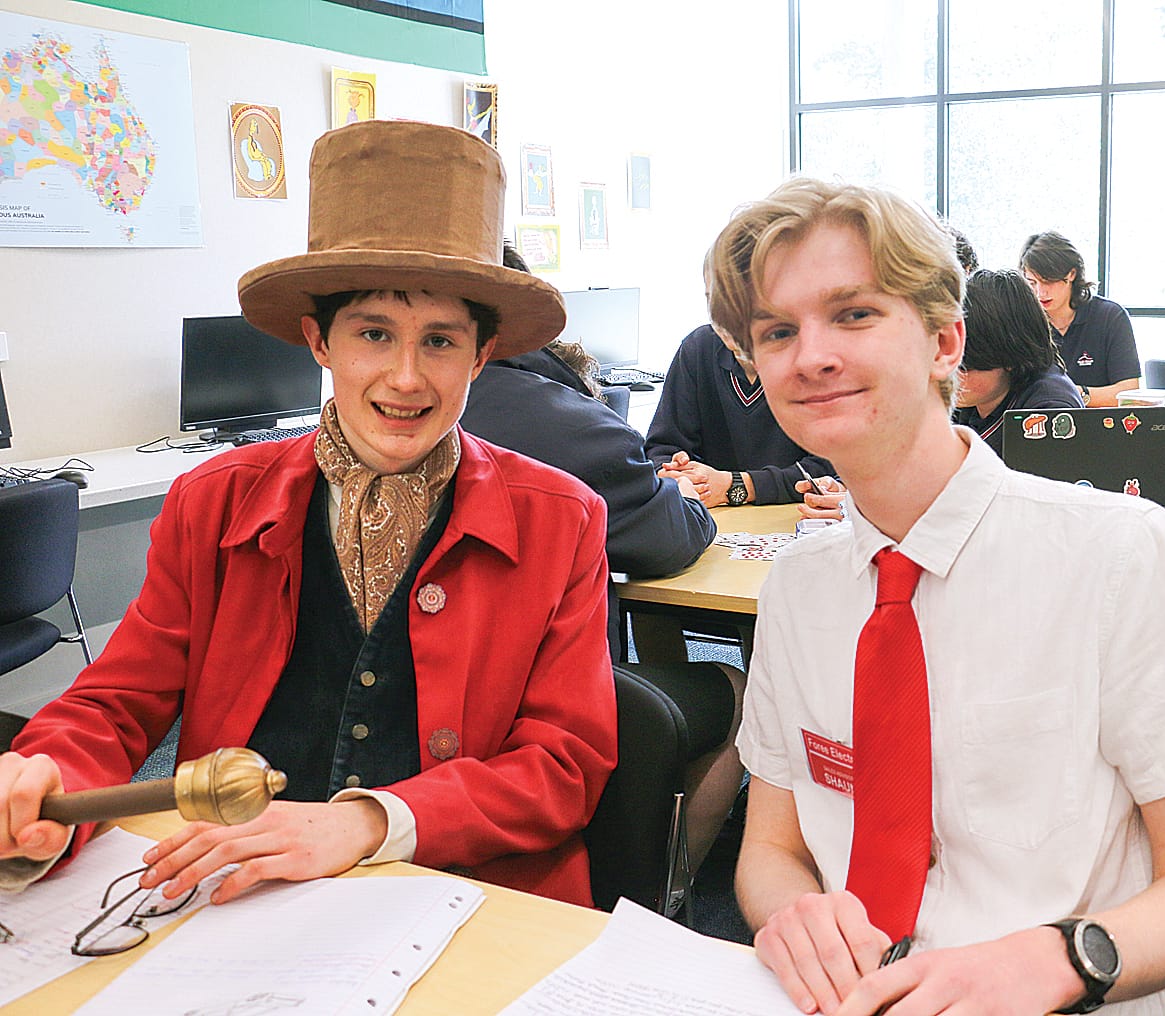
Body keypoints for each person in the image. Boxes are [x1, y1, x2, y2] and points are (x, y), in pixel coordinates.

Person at [0, 120, 618, 909]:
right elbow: (116, 702)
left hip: (462, 896)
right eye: (372, 334)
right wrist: (51, 769)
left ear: (482, 354)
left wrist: (371, 822)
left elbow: (565, 762)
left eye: (439, 341)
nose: (405, 377)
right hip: (238, 892)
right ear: (318, 340)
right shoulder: (213, 501)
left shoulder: (561, 519)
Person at [707, 178, 1165, 1016]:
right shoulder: (799, 587)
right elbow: (771, 848)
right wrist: (792, 914)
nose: (811, 355)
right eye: (777, 332)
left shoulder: (1117, 554)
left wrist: (1056, 961)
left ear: (947, 342)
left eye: (855, 314)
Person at [461, 245, 744, 872]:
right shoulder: (575, 426)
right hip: (544, 715)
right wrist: (681, 490)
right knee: (732, 687)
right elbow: (668, 536)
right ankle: (661, 900)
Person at [646, 258, 836, 508]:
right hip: (714, 521)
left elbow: (831, 466)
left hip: (795, 516)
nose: (722, 314)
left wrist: (736, 485)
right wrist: (675, 471)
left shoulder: (812, 356)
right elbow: (661, 447)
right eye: (712, 298)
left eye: (738, 300)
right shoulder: (698, 348)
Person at [953, 268, 1084, 448]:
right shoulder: (972, 399)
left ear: (1009, 354)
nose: (948, 376)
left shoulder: (1048, 410)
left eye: (963, 366)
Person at [1020, 231, 1141, 408]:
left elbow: (1130, 392)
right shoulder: (1023, 321)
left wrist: (1077, 395)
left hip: (1100, 426)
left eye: (1047, 281)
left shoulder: (1110, 316)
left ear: (1071, 274)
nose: (1040, 292)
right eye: (1032, 283)